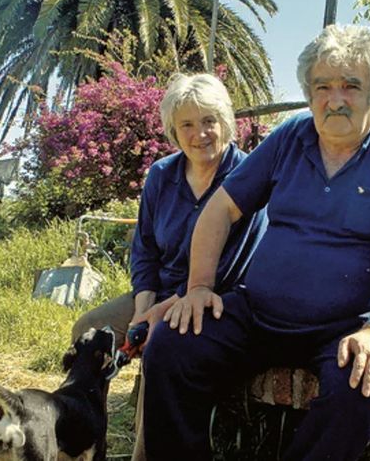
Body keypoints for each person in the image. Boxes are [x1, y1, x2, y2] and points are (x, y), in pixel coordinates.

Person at [142, 24, 370, 460]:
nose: (335, 99)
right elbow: (218, 211)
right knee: (172, 347)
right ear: (309, 93)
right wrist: (200, 288)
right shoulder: (291, 136)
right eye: (322, 86)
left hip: (355, 324)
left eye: (350, 86)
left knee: (358, 389)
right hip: (261, 313)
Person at [70, 73, 267, 460]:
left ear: (226, 120)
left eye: (209, 121)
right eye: (187, 125)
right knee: (88, 330)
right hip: (156, 291)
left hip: (211, 299)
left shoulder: (247, 175)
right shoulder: (162, 175)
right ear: (174, 131)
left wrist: (160, 314)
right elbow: (144, 249)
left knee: (161, 347)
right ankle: (89, 436)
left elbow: (232, 265)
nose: (200, 134)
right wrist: (143, 305)